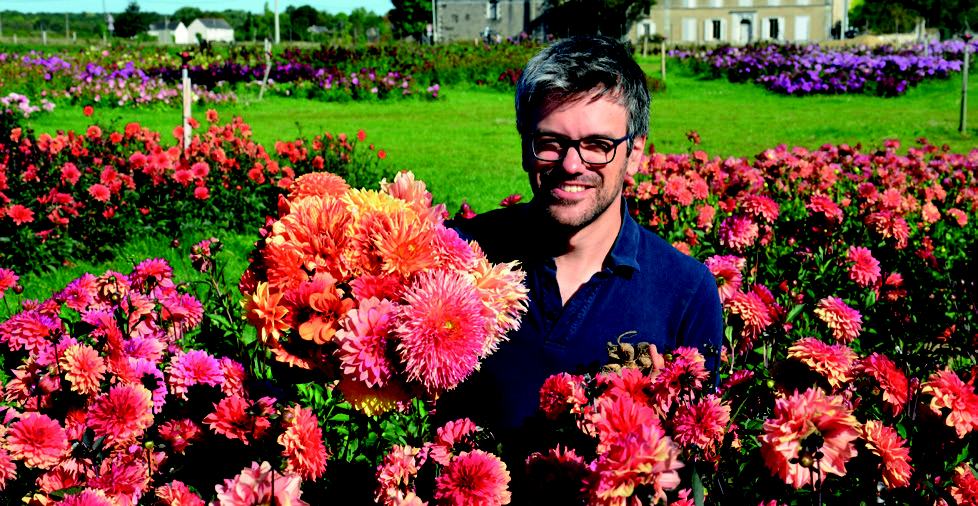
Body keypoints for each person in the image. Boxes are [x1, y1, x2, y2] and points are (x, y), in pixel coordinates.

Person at [436, 33, 723, 480]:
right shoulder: (461, 255)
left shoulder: (685, 292)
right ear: (524, 143)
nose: (571, 164)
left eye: (597, 145)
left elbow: (690, 459)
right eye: (550, 141)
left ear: (635, 152)